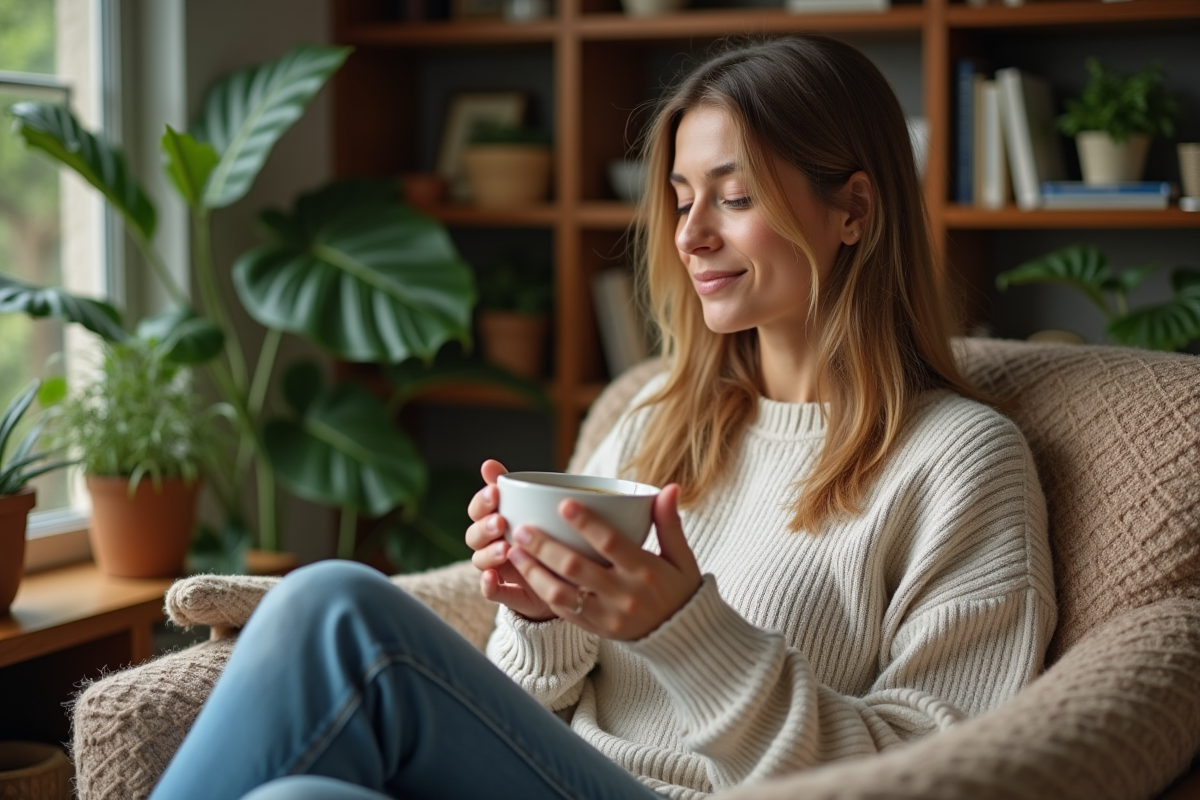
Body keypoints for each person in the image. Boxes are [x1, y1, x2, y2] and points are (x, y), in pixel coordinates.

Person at [149, 35, 1055, 800]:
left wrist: (684, 629)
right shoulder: (659, 417)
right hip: (567, 773)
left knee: (332, 601)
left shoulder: (961, 462)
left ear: (853, 208)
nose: (692, 235)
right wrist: (539, 614)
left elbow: (937, 774)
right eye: (682, 198)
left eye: (734, 199)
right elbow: (540, 700)